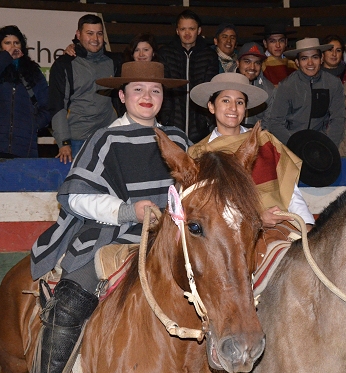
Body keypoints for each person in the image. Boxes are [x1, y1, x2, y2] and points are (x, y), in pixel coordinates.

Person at [31, 61, 188, 373]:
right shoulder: (103, 139)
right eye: (138, 90)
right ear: (122, 95)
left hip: (171, 238)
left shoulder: (179, 140)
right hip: (110, 237)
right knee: (68, 306)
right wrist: (128, 211)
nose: (147, 96)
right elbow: (76, 196)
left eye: (155, 90)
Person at [189, 72, 315, 232]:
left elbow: (290, 191)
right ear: (211, 106)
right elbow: (202, 210)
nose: (233, 108)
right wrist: (256, 220)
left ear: (245, 109)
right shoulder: (199, 154)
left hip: (280, 227)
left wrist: (307, 225)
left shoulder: (264, 141)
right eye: (225, 100)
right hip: (226, 237)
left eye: (239, 102)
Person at [49, 14, 118, 164]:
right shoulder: (64, 64)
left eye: (99, 33)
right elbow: (57, 105)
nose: (95, 38)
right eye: (90, 33)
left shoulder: (114, 62)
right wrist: (64, 143)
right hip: (76, 142)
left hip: (108, 139)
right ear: (78, 34)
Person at [0, 25, 51, 158]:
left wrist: (33, 124)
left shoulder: (33, 71)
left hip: (24, 146)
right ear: (0, 46)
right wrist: (5, 57)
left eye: (16, 42)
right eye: (7, 43)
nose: (12, 46)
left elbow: (48, 105)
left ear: (22, 45)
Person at [263, 37, 346, 147]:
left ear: (321, 59)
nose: (310, 63)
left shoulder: (334, 84)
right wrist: (295, 145)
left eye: (314, 57)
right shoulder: (287, 86)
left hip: (321, 144)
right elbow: (276, 122)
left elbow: (338, 119)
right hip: (291, 144)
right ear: (297, 62)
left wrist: (328, 146)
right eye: (304, 59)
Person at [157, 9, 218, 143]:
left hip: (201, 127)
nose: (187, 33)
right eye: (183, 29)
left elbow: (210, 91)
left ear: (199, 30)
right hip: (171, 125)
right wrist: (165, 118)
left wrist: (207, 121)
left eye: (191, 28)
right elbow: (162, 87)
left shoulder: (209, 56)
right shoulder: (165, 53)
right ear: (177, 31)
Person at [236, 42, 274, 127]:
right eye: (247, 61)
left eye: (257, 63)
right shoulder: (225, 84)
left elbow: (267, 124)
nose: (252, 67)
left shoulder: (268, 90)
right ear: (238, 63)